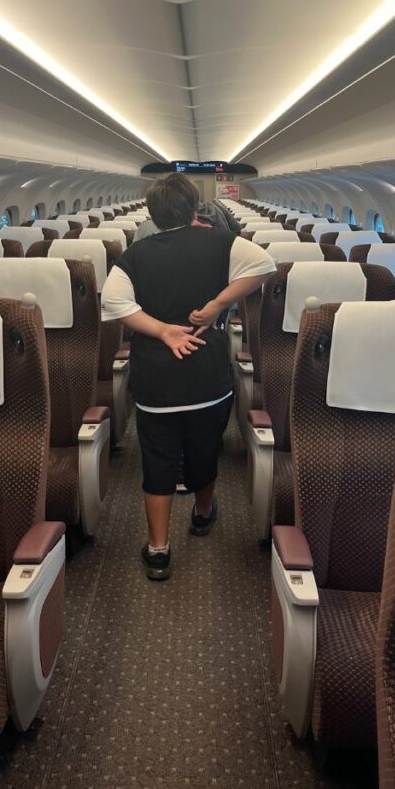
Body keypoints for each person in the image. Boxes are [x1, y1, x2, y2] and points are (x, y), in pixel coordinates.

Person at [101, 173, 276, 580]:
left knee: (158, 461)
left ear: (152, 213)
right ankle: (201, 514)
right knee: (203, 450)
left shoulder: (135, 255)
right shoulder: (222, 242)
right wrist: (217, 305)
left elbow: (113, 302)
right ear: (195, 206)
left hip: (156, 378)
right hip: (207, 370)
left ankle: (158, 550)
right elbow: (265, 265)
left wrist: (162, 330)